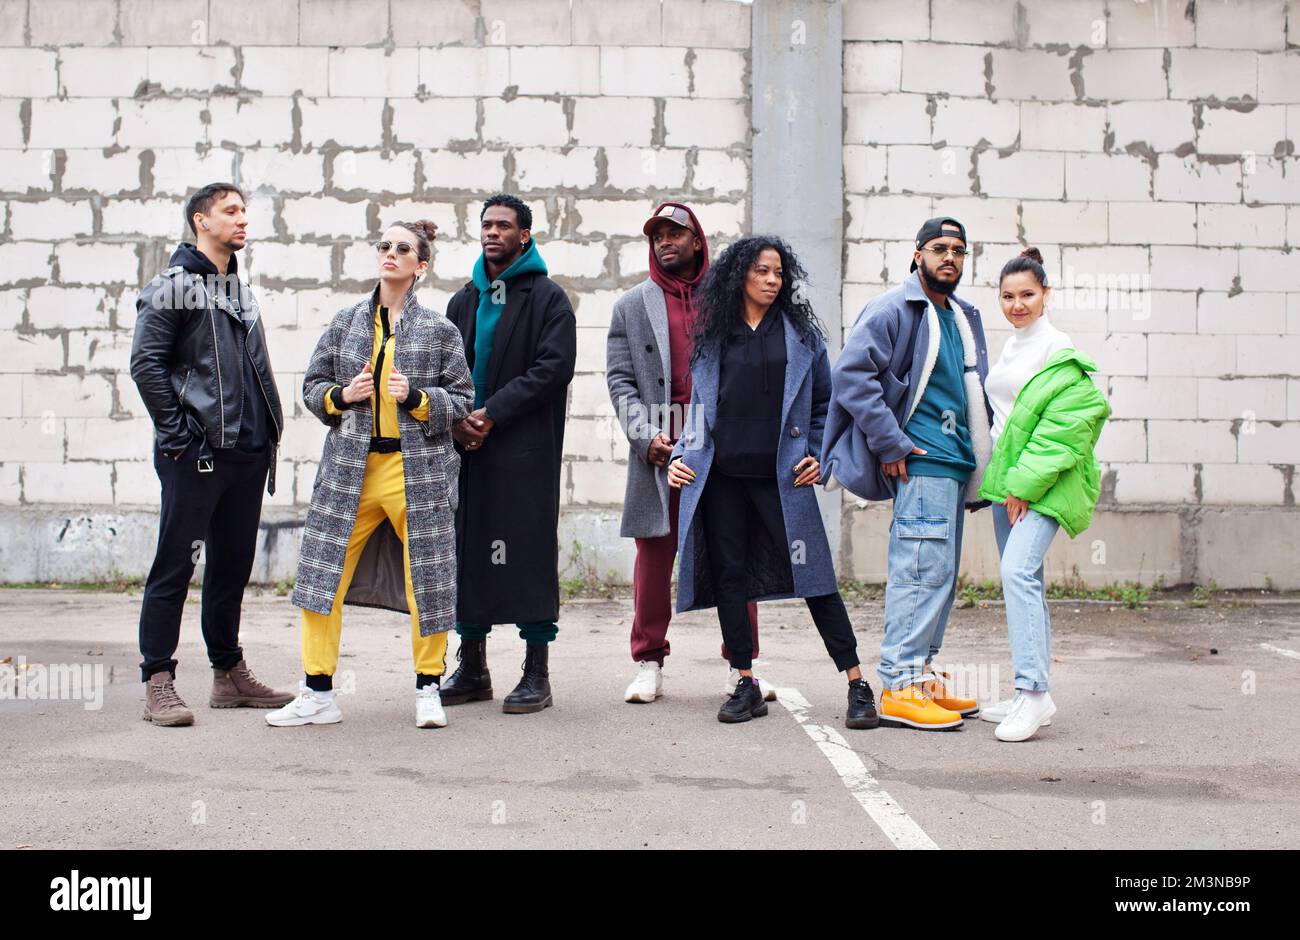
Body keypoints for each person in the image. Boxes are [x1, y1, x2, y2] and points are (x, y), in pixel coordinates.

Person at [268, 220, 474, 729]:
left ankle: (429, 688)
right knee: (321, 574)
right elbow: (313, 384)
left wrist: (419, 399)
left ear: (420, 265)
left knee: (427, 576)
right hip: (349, 468)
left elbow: (464, 400)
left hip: (418, 471)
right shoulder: (345, 323)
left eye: (403, 248)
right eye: (384, 245)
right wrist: (342, 396)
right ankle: (318, 692)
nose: (390, 253)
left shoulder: (440, 331)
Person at [667, 236, 879, 729]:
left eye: (779, 273)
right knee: (729, 578)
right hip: (719, 480)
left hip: (780, 480)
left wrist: (819, 455)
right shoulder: (714, 335)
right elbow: (696, 410)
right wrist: (681, 453)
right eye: (762, 271)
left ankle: (857, 683)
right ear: (740, 275)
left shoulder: (800, 336)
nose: (771, 280)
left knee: (817, 580)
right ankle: (745, 681)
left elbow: (827, 406)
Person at [821, 217, 993, 731]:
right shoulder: (895, 308)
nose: (950, 258)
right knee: (919, 568)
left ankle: (919, 672)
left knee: (938, 573)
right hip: (921, 460)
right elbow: (850, 375)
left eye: (959, 251)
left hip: (954, 462)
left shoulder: (960, 316)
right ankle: (898, 684)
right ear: (917, 255)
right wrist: (890, 441)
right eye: (939, 248)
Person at [130, 182, 291, 727]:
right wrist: (180, 438)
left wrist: (266, 435)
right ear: (201, 221)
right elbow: (146, 366)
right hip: (196, 455)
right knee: (175, 567)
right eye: (231, 211)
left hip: (246, 453)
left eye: (244, 211)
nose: (242, 220)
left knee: (232, 567)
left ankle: (228, 674)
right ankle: (159, 681)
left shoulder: (239, 291)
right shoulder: (170, 287)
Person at [606, 202, 769, 706]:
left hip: (723, 447)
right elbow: (620, 380)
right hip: (664, 444)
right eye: (657, 235)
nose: (664, 242)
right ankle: (648, 662)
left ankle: (740, 667)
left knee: (734, 555)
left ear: (697, 241)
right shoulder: (632, 305)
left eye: (675, 233)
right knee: (654, 555)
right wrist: (647, 438)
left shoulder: (730, 298)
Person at [440, 194, 577, 715]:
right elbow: (445, 370)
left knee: (526, 554)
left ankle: (536, 672)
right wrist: (458, 420)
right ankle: (472, 667)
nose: (493, 232)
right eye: (486, 225)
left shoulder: (548, 299)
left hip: (523, 453)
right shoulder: (463, 302)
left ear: (525, 236)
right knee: (469, 553)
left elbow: (552, 368)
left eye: (504, 226)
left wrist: (491, 413)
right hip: (467, 450)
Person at [976, 247, 1109, 742]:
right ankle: (1031, 693)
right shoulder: (1012, 346)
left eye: (1027, 294)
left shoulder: (1058, 349)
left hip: (1041, 483)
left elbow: (1064, 430)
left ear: (1046, 295)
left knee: (1016, 571)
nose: (1017, 304)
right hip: (1010, 482)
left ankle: (1033, 695)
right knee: (1022, 580)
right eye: (1008, 296)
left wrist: (1025, 486)